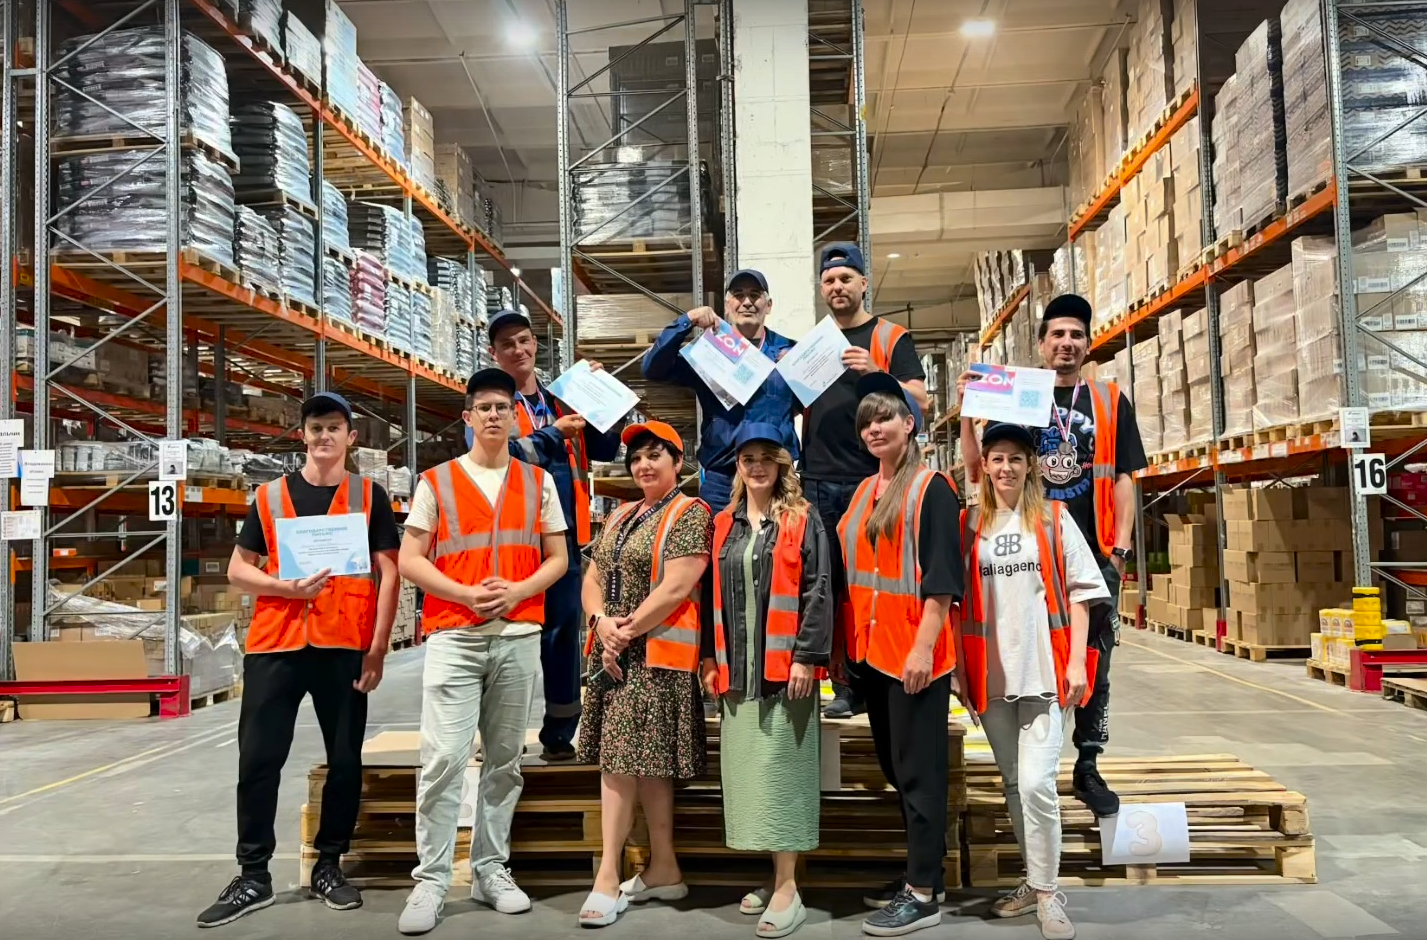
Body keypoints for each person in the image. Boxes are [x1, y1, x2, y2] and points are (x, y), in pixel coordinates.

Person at [199, 391, 401, 928]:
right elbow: (238, 570)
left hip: (343, 644)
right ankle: (253, 875)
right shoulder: (269, 496)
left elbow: (389, 573)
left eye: (334, 427)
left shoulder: (368, 495)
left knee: (345, 760)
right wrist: (284, 588)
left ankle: (329, 866)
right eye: (316, 427)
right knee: (258, 760)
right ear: (304, 436)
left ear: (350, 437)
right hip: (276, 643)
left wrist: (378, 646)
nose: (324, 435)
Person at [957, 293, 1147, 818]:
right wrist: (968, 412)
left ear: (1088, 344)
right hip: (1032, 550)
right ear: (1041, 345)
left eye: (1076, 335)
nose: (1067, 343)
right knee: (1030, 657)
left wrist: (1120, 551)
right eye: (1057, 334)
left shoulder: (1109, 401)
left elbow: (1125, 477)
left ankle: (1088, 763)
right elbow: (976, 467)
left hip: (1093, 550)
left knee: (1094, 659)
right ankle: (1031, 761)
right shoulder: (1021, 395)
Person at [396, 368, 570, 935]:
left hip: (518, 636)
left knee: (504, 762)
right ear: (468, 417)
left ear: (516, 416)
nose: (494, 415)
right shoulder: (437, 482)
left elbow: (558, 558)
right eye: (484, 407)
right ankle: (431, 880)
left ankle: (491, 869)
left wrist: (518, 592)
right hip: (454, 635)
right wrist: (465, 594)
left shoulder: (538, 482)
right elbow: (411, 559)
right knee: (443, 759)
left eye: (503, 406)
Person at [958, 422, 1108, 940]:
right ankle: (1032, 880)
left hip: (1044, 671)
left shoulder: (1053, 518)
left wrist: (1076, 663)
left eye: (1015, 459)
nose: (1006, 468)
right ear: (984, 466)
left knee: (1036, 784)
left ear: (1031, 466)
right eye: (997, 458)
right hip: (991, 675)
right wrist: (961, 671)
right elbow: (955, 603)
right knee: (1012, 784)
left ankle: (1047, 894)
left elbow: (1083, 593)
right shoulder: (967, 525)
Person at [837, 373, 962, 937]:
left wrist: (923, 648)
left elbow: (942, 580)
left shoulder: (932, 488)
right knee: (896, 770)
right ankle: (921, 873)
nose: (874, 428)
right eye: (866, 421)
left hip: (913, 657)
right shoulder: (866, 490)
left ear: (910, 424)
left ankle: (924, 893)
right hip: (874, 655)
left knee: (919, 775)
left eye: (885, 417)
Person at [576, 421, 712, 928]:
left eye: (655, 455)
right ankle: (664, 869)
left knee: (622, 765)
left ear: (678, 462)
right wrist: (600, 622)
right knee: (642, 764)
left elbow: (677, 587)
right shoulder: (620, 515)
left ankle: (607, 877)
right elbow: (593, 576)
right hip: (616, 652)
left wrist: (622, 633)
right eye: (636, 458)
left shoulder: (690, 513)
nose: (643, 465)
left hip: (653, 658)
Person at [700, 423, 834, 939]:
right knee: (752, 778)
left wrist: (806, 657)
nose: (757, 467)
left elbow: (819, 588)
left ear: (782, 465)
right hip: (737, 673)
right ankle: (776, 876)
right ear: (737, 466)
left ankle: (788, 889)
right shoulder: (724, 524)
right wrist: (709, 658)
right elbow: (709, 593)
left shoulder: (802, 518)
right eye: (747, 458)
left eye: (766, 458)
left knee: (784, 776)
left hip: (785, 673)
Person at [486, 308, 624, 762]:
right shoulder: (493, 405)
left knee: (563, 637)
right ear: (494, 353)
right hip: (516, 540)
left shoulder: (562, 399)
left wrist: (603, 398)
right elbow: (498, 453)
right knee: (509, 640)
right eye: (507, 344)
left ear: (535, 344)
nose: (518, 349)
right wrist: (552, 434)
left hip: (566, 537)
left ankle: (561, 733)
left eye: (524, 340)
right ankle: (499, 737)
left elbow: (604, 448)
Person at [804, 244, 929, 722]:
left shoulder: (890, 337)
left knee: (874, 581)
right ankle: (844, 684)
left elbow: (921, 400)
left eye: (845, 279)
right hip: (819, 477)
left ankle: (881, 672)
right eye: (829, 281)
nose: (837, 287)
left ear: (862, 283)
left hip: (873, 478)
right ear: (822, 289)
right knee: (830, 585)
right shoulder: (815, 343)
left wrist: (877, 372)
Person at [641, 269, 799, 512]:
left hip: (775, 477)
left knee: (782, 537)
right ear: (727, 306)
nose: (747, 302)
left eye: (755, 295)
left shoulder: (789, 352)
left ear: (768, 305)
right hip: (722, 481)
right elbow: (653, 368)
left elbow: (811, 404)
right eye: (739, 295)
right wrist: (688, 320)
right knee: (719, 537)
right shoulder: (709, 352)